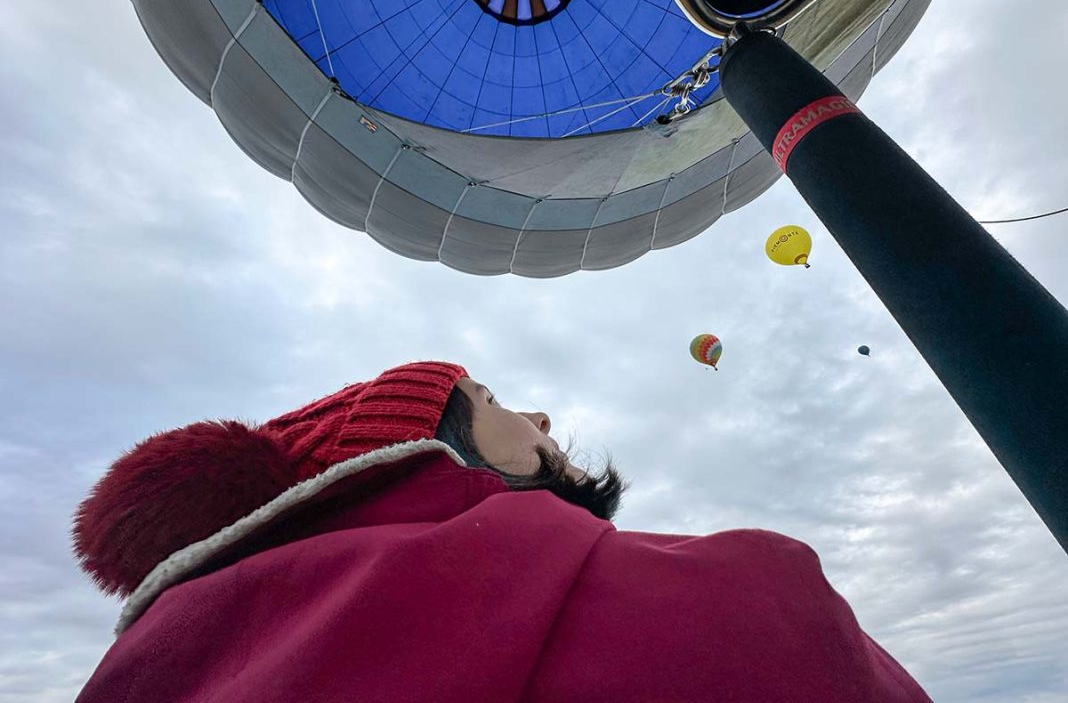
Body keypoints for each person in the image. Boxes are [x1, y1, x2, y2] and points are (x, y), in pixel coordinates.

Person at [72, 361, 932, 702]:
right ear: (421, 446)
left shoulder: (154, 661)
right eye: (489, 397)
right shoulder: (747, 590)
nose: (540, 413)